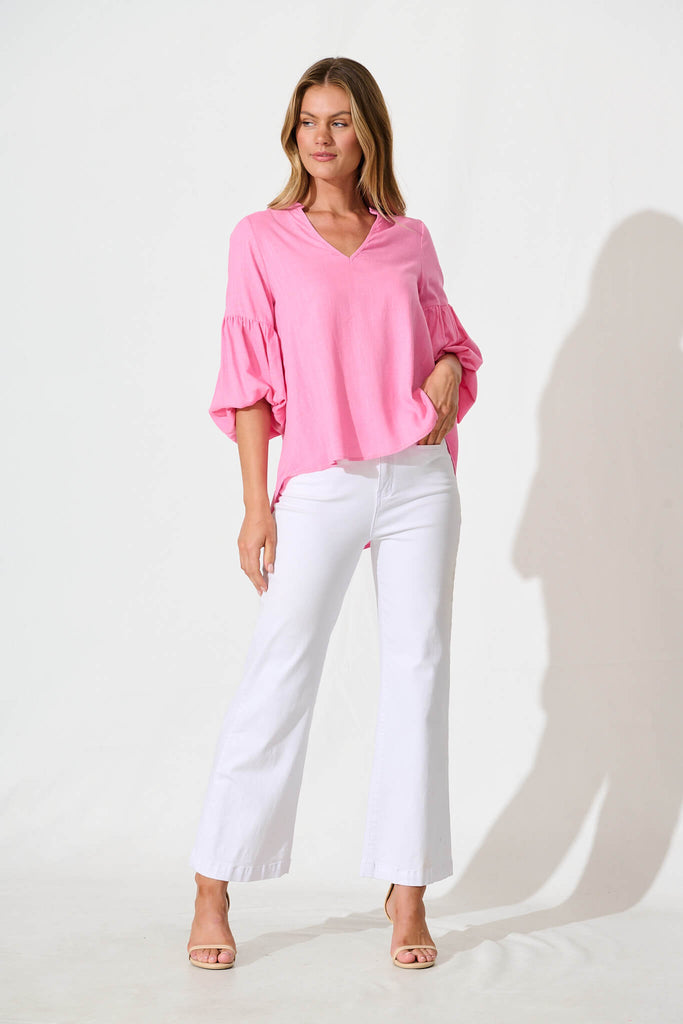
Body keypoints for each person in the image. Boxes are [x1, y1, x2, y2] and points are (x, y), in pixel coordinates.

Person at [186, 56, 483, 971]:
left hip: (418, 479)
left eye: (340, 120)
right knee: (279, 672)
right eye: (309, 120)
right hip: (320, 479)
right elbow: (246, 380)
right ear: (293, 133)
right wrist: (254, 506)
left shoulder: (408, 239)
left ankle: (406, 892)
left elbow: (448, 345)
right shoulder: (262, 238)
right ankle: (212, 884)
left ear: (367, 133)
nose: (322, 136)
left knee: (418, 673)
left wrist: (446, 372)